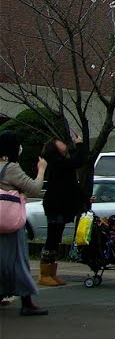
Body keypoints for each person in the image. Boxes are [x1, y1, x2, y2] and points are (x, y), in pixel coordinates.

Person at [0, 130, 49, 316]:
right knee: (18, 261)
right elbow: (35, 189)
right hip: (10, 224)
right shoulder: (11, 168)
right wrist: (41, 168)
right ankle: (27, 302)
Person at [38, 132, 89, 287]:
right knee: (52, 238)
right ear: (55, 148)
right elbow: (78, 161)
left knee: (55, 238)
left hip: (59, 205)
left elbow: (72, 184)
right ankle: (45, 274)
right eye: (58, 142)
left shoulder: (62, 162)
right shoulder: (56, 162)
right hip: (55, 205)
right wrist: (79, 144)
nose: (62, 143)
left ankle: (50, 272)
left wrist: (84, 198)